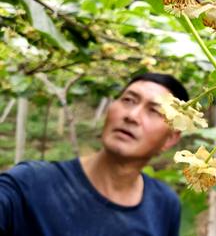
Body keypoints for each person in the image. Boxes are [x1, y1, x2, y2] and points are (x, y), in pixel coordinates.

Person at [0, 72, 187, 236]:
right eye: (128, 100)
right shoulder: (28, 183)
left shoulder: (165, 204)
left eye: (154, 110)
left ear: (171, 139)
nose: (132, 115)